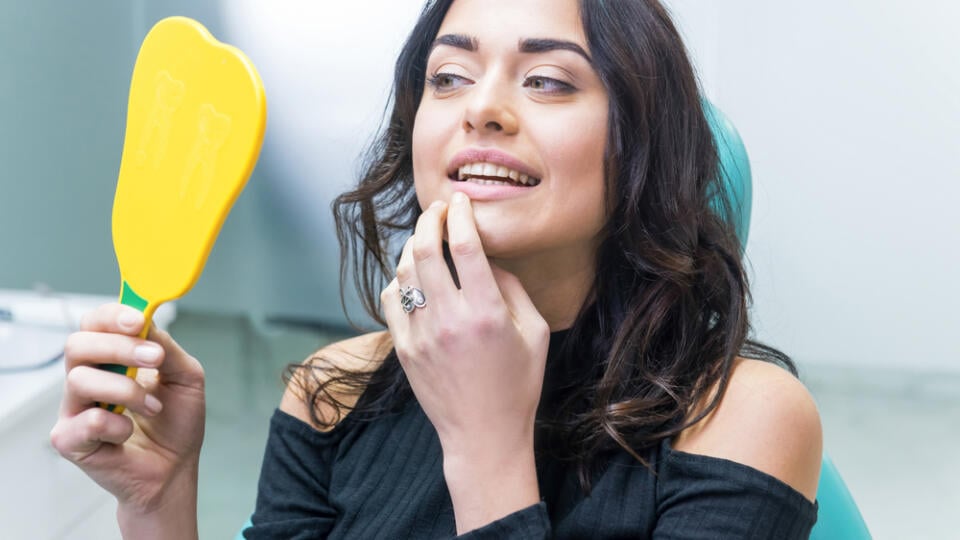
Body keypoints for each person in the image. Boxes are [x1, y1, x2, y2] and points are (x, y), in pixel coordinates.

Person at [50, 0, 823, 538]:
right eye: (448, 78)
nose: (479, 109)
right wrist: (159, 503)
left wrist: (485, 447)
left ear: (642, 150)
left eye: (548, 80)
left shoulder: (738, 419)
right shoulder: (332, 394)